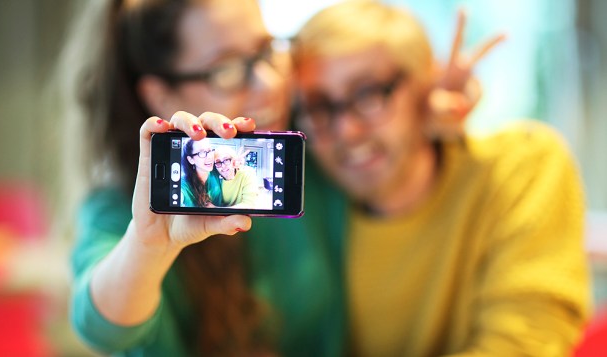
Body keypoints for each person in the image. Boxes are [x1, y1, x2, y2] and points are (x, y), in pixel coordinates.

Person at [63, 0, 505, 356]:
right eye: (228, 69)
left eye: (267, 50)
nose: (270, 82)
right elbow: (98, 327)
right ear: (161, 94)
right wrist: (147, 247)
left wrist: (419, 110)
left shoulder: (306, 153)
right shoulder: (125, 209)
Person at [288, 1, 590, 356]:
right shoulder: (304, 200)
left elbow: (527, 341)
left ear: (425, 86)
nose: (347, 131)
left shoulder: (522, 165)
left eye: (368, 93)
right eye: (320, 106)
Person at [180, 138, 223, 207]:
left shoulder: (215, 171)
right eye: (202, 153)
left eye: (209, 151)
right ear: (191, 160)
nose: (209, 157)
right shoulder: (183, 185)